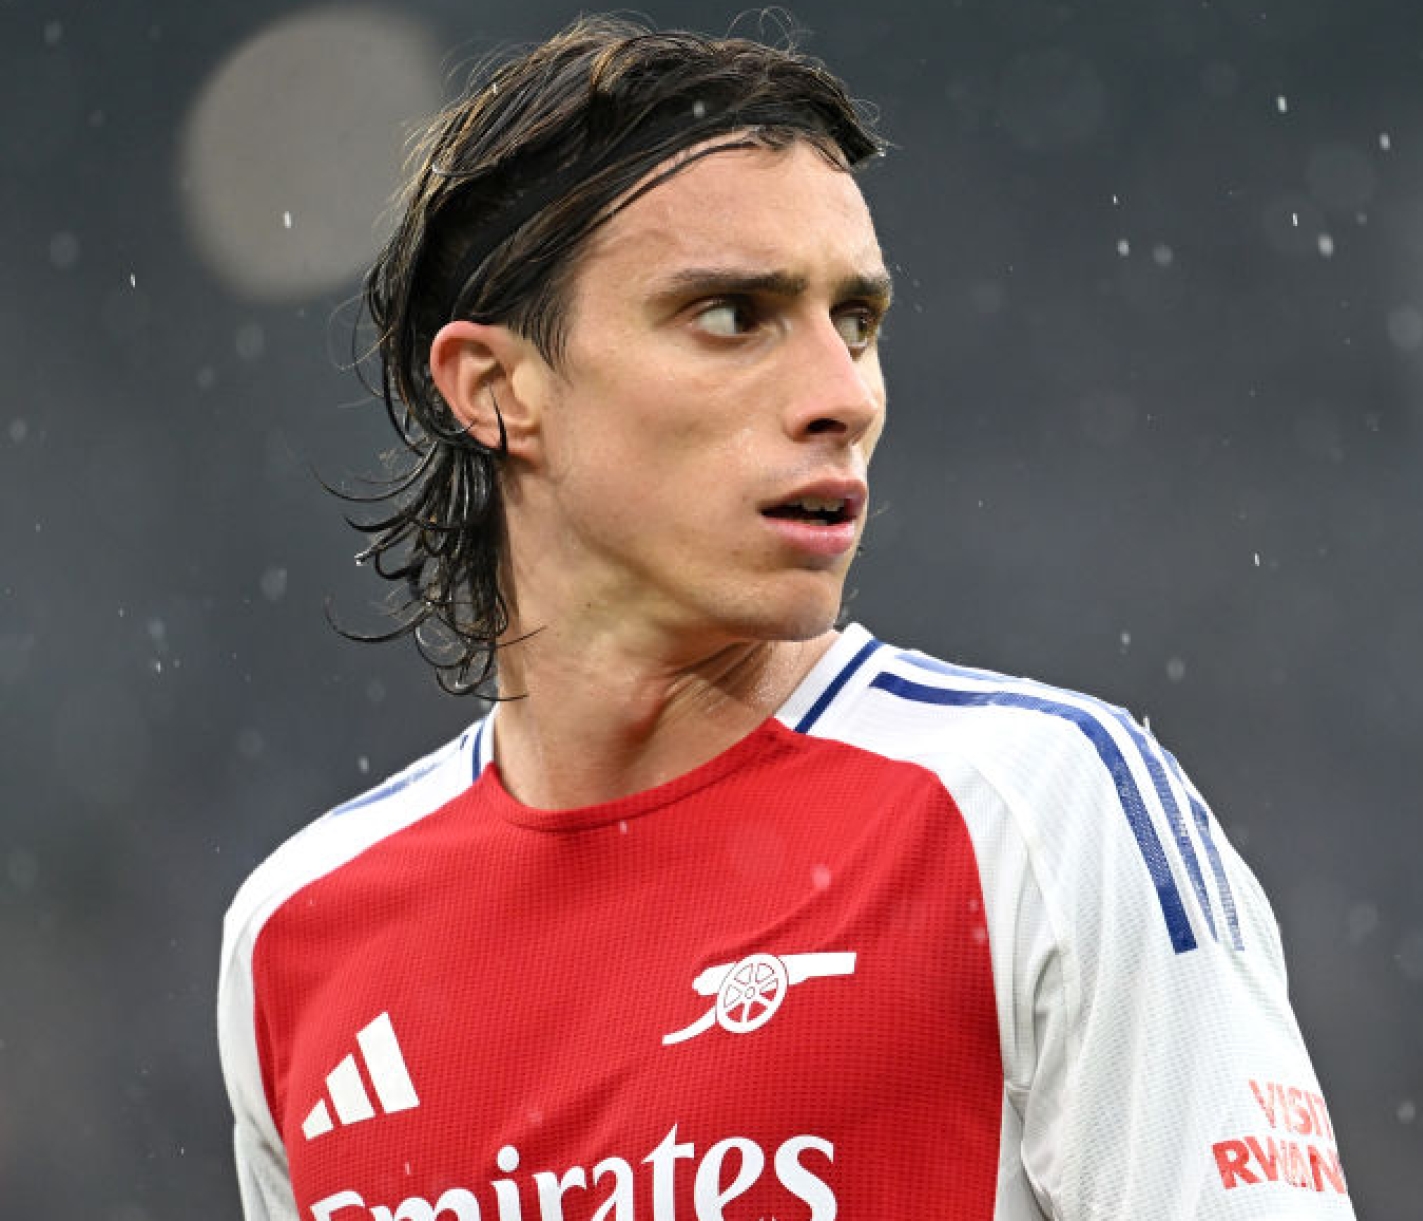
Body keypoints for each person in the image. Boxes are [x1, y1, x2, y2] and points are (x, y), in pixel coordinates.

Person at [216, 16, 1354, 1220]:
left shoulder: (1040, 811)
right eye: (731, 316)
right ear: (498, 392)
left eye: (855, 323)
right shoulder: (298, 935)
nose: (841, 397)